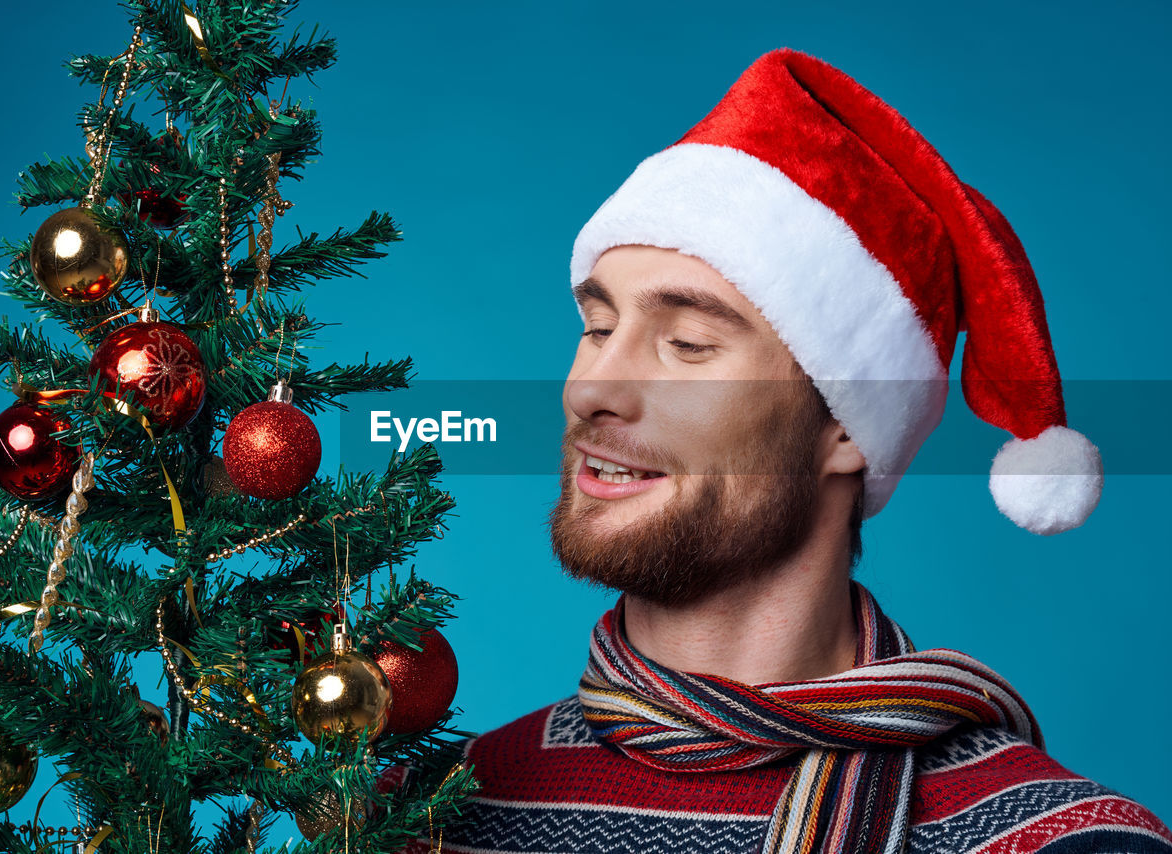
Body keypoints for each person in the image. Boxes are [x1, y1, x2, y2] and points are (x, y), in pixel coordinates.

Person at [438, 49, 1171, 853]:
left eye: (686, 343)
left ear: (849, 427)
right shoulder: (428, 816)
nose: (590, 390)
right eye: (599, 329)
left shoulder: (1062, 842)